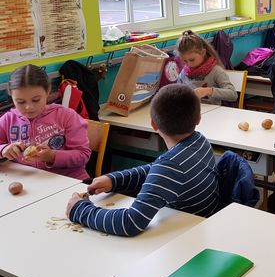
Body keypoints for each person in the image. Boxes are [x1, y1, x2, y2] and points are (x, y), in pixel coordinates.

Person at [66, 84, 220, 237]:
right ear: (199, 118)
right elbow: (157, 171)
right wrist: (115, 180)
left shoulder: (171, 165)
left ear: (153, 124)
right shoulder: (200, 142)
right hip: (202, 227)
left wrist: (79, 209)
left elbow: (130, 223)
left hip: (183, 236)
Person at [0, 64, 91, 180]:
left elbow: (83, 155)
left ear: (48, 92)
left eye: (36, 100)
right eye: (20, 102)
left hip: (68, 180)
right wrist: (3, 150)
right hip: (29, 180)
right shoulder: (8, 119)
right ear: (12, 97)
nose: (29, 107)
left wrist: (52, 156)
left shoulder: (66, 116)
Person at [176, 30, 237, 105]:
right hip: (190, 109)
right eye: (185, 61)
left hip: (213, 110)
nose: (189, 64)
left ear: (203, 53)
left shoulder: (216, 71)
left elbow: (233, 94)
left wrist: (209, 91)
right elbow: (177, 91)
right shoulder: (184, 72)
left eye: (192, 60)